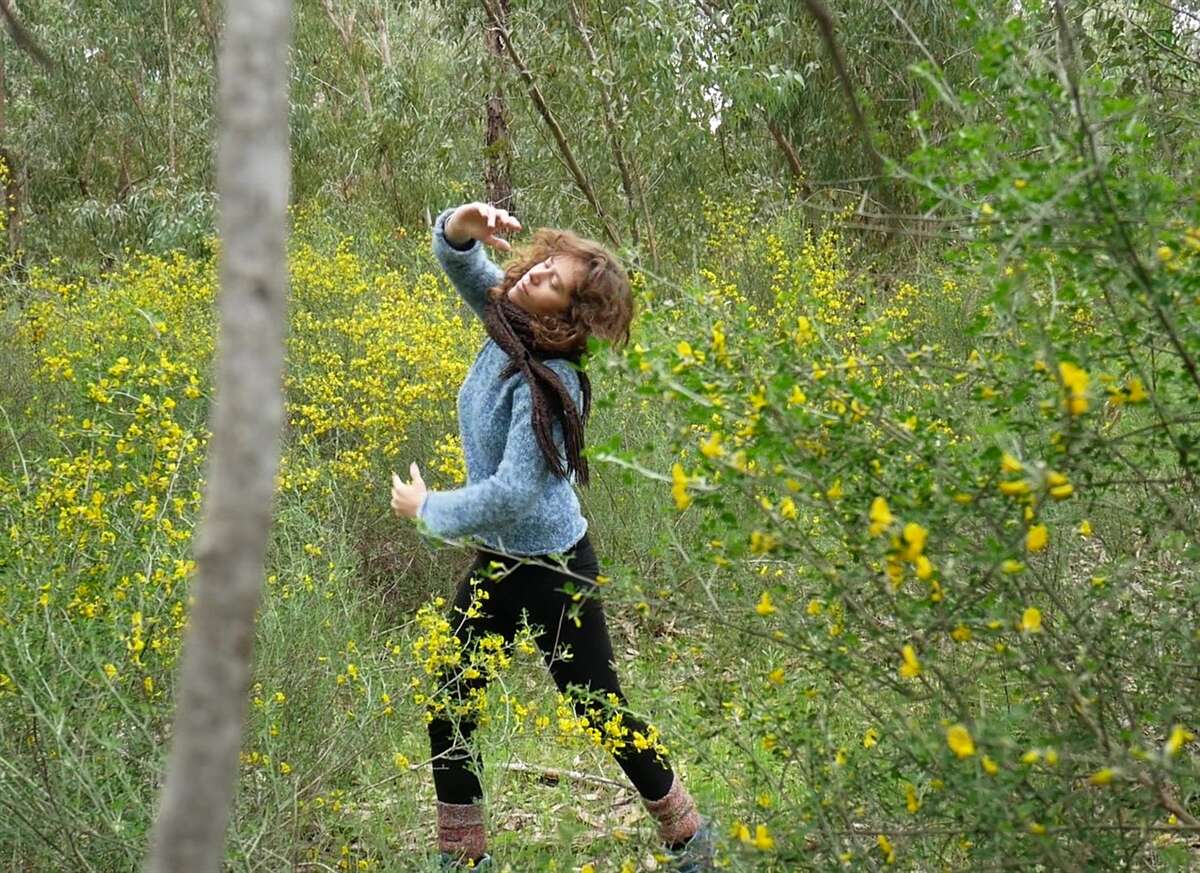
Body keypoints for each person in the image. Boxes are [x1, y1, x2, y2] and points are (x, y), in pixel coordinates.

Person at [389, 202, 715, 871]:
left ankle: (688, 835)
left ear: (568, 319)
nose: (531, 274)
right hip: (500, 560)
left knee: (598, 706)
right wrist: (461, 226)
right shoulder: (510, 322)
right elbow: (461, 263)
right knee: (450, 702)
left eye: (550, 280)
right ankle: (463, 858)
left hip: (556, 567)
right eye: (540, 263)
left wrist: (429, 508)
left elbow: (513, 491)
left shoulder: (551, 384)